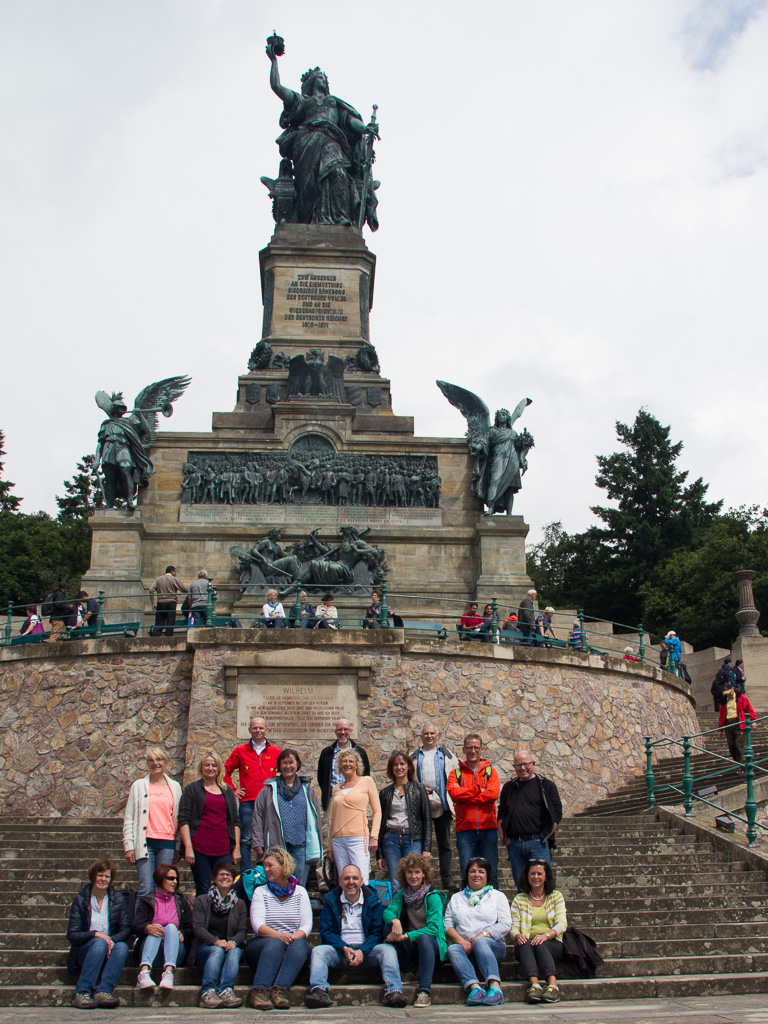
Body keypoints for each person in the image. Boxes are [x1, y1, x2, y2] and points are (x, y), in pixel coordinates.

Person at [266, 47, 378, 229]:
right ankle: (305, 216)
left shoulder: (334, 102)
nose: (324, 79)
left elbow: (350, 121)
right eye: (320, 76)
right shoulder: (304, 101)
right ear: (311, 82)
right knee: (307, 186)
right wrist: (274, 61)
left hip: (332, 140)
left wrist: (365, 128)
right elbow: (276, 87)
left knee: (338, 172)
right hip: (306, 142)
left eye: (325, 77)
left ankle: (340, 216)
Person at [304, 863, 407, 1009]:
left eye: (355, 878)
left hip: (367, 951)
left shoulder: (373, 900)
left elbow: (377, 933)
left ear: (361, 881)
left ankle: (394, 991)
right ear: (340, 881)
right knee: (318, 951)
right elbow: (326, 932)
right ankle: (319, 991)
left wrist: (362, 951)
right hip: (340, 951)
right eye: (346, 878)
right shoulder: (330, 900)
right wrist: (344, 948)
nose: (350, 882)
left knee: (388, 950)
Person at [245, 847, 312, 1010]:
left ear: (284, 866)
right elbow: (258, 926)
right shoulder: (260, 892)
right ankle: (259, 991)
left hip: (291, 944)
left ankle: (279, 990)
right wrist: (281, 937)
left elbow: (306, 925)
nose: (266, 869)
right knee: (275, 943)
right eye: (265, 866)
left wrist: (292, 938)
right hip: (263, 946)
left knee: (301, 945)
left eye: (270, 865)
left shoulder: (300, 892)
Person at [443, 856, 511, 1006]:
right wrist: (461, 941)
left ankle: (495, 988)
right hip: (467, 948)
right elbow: (448, 925)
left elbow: (506, 924)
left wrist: (483, 935)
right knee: (453, 949)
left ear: (487, 875)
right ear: (466, 874)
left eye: (481, 871)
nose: (476, 875)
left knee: (481, 942)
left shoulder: (498, 897)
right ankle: (475, 988)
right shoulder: (456, 898)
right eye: (472, 871)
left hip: (493, 947)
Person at [383, 852, 448, 1007]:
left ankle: (424, 991)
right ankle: (408, 971)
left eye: (417, 872)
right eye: (410, 872)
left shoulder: (432, 895)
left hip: (431, 946)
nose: (413, 876)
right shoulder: (403, 894)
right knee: (388, 928)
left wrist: (407, 936)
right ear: (404, 874)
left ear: (424, 874)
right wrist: (395, 921)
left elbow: (433, 929)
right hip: (412, 946)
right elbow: (388, 911)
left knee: (424, 938)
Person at [251, 748, 323, 886]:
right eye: (284, 763)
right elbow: (257, 816)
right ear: (279, 766)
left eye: (291, 762)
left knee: (298, 885)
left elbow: (316, 818)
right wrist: (257, 841)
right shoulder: (269, 790)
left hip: (301, 846)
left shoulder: (307, 789)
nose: (288, 766)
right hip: (276, 845)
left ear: (297, 765)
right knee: (276, 884)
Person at [67, 859, 130, 1009]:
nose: (103, 879)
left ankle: (104, 991)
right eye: (100, 875)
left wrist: (111, 940)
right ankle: (82, 992)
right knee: (99, 942)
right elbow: (72, 934)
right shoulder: (81, 900)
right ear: (93, 876)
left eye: (107, 876)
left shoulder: (118, 899)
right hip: (85, 951)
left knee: (122, 947)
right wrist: (95, 935)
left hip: (109, 949)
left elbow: (125, 929)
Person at [498, 750, 563, 892]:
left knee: (542, 887)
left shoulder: (546, 786)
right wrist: (503, 835)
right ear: (514, 767)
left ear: (533, 764)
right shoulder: (509, 787)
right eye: (518, 765)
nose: (522, 768)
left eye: (525, 764)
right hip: (515, 844)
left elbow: (557, 814)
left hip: (538, 844)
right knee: (521, 887)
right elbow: (501, 813)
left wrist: (545, 836)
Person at [179, 751, 241, 895]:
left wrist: (236, 847)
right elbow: (183, 819)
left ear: (219, 768)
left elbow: (235, 821)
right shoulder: (192, 789)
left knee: (225, 888)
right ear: (201, 767)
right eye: (207, 765)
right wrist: (188, 847)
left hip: (223, 849)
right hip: (200, 848)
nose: (210, 768)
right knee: (203, 888)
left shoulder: (227, 791)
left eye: (214, 765)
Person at [122, 747, 182, 898]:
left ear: (165, 762)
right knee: (146, 889)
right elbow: (129, 817)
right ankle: (143, 915)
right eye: (151, 760)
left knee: (163, 888)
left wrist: (178, 846)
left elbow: (178, 817)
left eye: (159, 759)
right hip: (145, 843)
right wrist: (129, 845)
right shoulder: (138, 786)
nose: (155, 763)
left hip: (167, 844)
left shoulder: (175, 787)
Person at [224, 717, 281, 870]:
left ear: (266, 730)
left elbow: (285, 774)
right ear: (249, 730)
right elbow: (225, 771)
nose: (258, 731)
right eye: (255, 728)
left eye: (261, 728)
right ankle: (247, 873)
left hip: (268, 802)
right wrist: (233, 790)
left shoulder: (275, 752)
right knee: (246, 839)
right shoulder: (241, 751)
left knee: (267, 838)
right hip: (247, 802)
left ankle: (265, 871)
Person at [410, 722, 460, 892]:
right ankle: (423, 880)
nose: (429, 736)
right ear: (421, 736)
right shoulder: (413, 757)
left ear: (437, 736)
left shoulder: (447, 756)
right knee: (422, 845)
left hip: (442, 805)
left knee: (444, 844)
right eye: (426, 733)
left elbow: (456, 776)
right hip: (420, 806)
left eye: (432, 733)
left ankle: (447, 879)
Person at [190, 861, 247, 1008]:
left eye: (228, 875)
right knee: (217, 950)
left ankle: (226, 990)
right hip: (206, 948)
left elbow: (242, 931)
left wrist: (233, 941)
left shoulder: (239, 904)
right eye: (221, 874)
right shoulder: (202, 901)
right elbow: (198, 928)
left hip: (229, 947)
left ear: (233, 880)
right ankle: (207, 991)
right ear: (215, 879)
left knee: (235, 951)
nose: (225, 877)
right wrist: (215, 941)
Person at [511, 859, 567, 1004]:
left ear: (546, 877)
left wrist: (546, 936)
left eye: (539, 874)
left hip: (552, 943)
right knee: (526, 943)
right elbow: (514, 927)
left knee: (539, 944)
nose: (536, 877)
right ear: (527, 876)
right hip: (527, 945)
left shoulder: (555, 896)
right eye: (532, 874)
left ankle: (553, 986)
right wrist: (518, 936)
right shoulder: (519, 899)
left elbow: (562, 924)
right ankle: (535, 985)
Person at [447, 735, 500, 888]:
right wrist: (477, 790)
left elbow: (493, 793)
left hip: (488, 829)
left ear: (481, 749)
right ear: (463, 750)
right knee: (467, 873)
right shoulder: (455, 773)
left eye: (476, 747)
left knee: (491, 874)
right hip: (465, 830)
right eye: (469, 747)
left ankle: (493, 903)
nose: (473, 751)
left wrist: (467, 797)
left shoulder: (491, 772)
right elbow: (454, 793)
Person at [376, 751, 431, 893]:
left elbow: (426, 818)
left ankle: (413, 907)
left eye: (402, 764)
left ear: (408, 766)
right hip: (391, 839)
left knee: (413, 879)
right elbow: (380, 823)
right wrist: (379, 853)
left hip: (412, 839)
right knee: (395, 882)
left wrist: (426, 848)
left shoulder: (419, 789)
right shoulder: (385, 793)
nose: (399, 767)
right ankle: (398, 908)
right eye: (395, 765)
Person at [133, 863, 193, 991]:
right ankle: (144, 972)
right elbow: (136, 925)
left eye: (176, 879)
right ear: (160, 879)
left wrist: (183, 933)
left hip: (174, 952)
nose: (174, 882)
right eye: (170, 878)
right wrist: (147, 928)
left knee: (171, 927)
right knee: (157, 928)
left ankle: (168, 973)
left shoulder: (181, 901)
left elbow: (191, 927)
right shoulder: (147, 900)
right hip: (151, 950)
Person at [328, 748, 381, 884]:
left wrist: (374, 836)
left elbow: (377, 810)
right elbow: (332, 819)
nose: (347, 764)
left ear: (357, 765)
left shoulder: (366, 781)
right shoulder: (336, 788)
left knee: (361, 879)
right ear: (340, 765)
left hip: (358, 838)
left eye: (351, 761)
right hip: (338, 840)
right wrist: (330, 846)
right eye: (344, 761)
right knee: (344, 880)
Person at [318, 719, 371, 811]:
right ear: (335, 732)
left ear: (350, 731)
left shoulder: (360, 752)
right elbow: (321, 778)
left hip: (355, 801)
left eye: (346, 729)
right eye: (339, 729)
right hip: (333, 801)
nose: (343, 732)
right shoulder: (326, 753)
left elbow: (365, 776)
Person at [718, 681, 757, 764]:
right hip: (728, 724)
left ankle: (741, 766)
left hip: (739, 723)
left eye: (728, 692)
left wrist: (753, 720)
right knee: (731, 746)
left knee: (739, 745)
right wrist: (720, 729)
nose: (727, 694)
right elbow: (722, 716)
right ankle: (739, 764)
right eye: (726, 693)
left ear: (732, 690)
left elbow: (749, 709)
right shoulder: (724, 701)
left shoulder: (741, 697)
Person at [149, 566, 187, 637]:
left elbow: (151, 589)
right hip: (171, 602)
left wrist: (153, 603)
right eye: (175, 572)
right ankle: (169, 639)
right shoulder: (174, 579)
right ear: (171, 571)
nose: (175, 573)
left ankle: (154, 638)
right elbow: (184, 589)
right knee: (170, 622)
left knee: (159, 623)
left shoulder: (159, 579)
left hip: (160, 602)